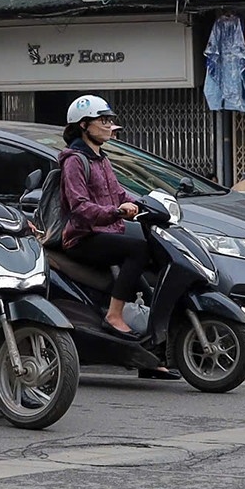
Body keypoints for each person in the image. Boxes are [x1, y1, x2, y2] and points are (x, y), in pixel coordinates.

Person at [57, 95, 155, 337]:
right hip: (83, 238)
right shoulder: (74, 161)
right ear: (83, 125)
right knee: (138, 250)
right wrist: (115, 212)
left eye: (109, 120)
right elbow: (80, 207)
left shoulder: (102, 159)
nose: (108, 126)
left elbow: (120, 194)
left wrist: (147, 207)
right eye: (102, 120)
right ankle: (114, 316)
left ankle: (152, 354)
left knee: (148, 290)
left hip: (108, 233)